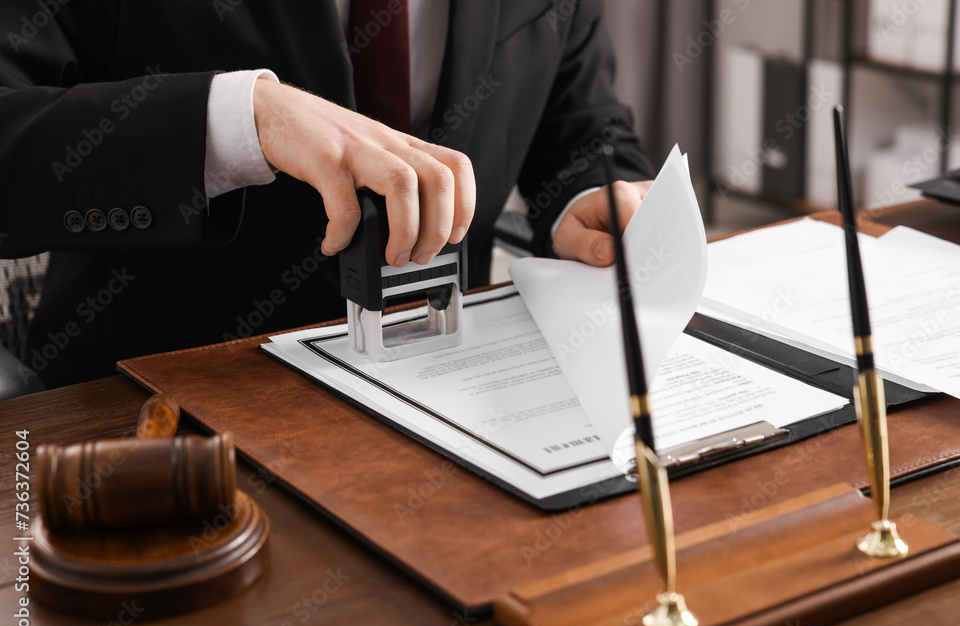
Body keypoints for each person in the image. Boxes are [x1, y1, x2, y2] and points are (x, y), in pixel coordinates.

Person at [0, 0, 653, 389]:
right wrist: (242, 119)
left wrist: (588, 198)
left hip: (463, 402)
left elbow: (583, 125)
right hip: (162, 418)